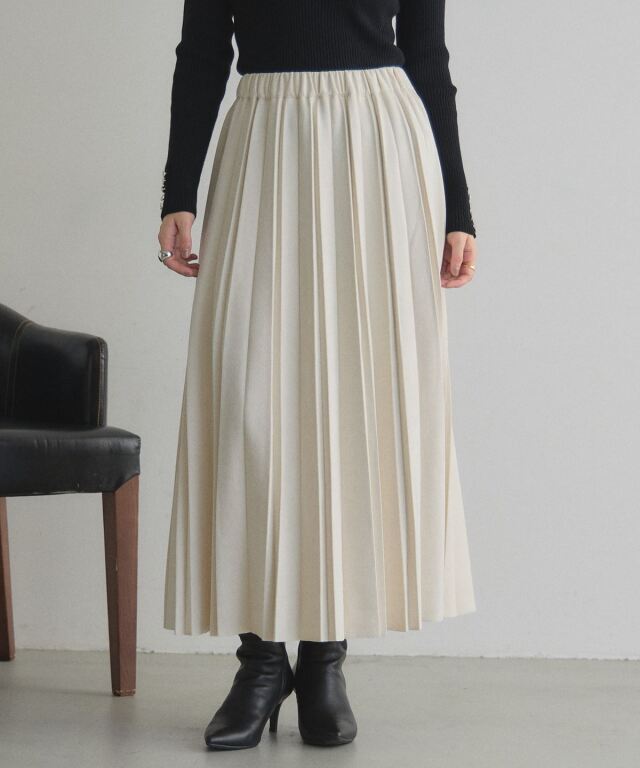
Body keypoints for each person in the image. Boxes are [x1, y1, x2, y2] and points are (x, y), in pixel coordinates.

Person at [157, 0, 478, 751]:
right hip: (263, 141)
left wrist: (458, 208)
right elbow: (200, 53)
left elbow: (428, 55)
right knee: (249, 403)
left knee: (352, 407)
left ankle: (324, 660)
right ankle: (261, 663)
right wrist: (178, 191)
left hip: (375, 145)